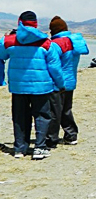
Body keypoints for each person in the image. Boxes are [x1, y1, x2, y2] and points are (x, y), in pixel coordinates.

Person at [0, 11, 65, 159]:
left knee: (20, 116)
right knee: (42, 116)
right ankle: (39, 148)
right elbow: (55, 67)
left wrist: (1, 79)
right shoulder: (46, 42)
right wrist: (60, 85)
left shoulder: (8, 41)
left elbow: (0, 57)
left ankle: (19, 148)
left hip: (18, 87)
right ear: (36, 23)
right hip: (41, 87)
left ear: (19, 22)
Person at [46, 16, 89, 148]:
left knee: (54, 111)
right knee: (66, 109)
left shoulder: (56, 44)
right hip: (71, 81)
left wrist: (59, 83)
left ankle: (51, 139)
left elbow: (54, 67)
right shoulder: (74, 42)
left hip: (59, 83)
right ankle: (71, 135)